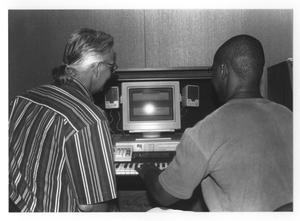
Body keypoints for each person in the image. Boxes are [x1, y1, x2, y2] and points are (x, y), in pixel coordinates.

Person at [137, 35, 293, 211]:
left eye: (212, 72)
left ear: (223, 71)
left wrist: (147, 171)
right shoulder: (289, 116)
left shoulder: (206, 130)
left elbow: (164, 195)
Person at [9, 28, 119, 212]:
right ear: (98, 68)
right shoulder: (90, 120)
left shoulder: (22, 99)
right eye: (111, 67)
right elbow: (92, 206)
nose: (111, 75)